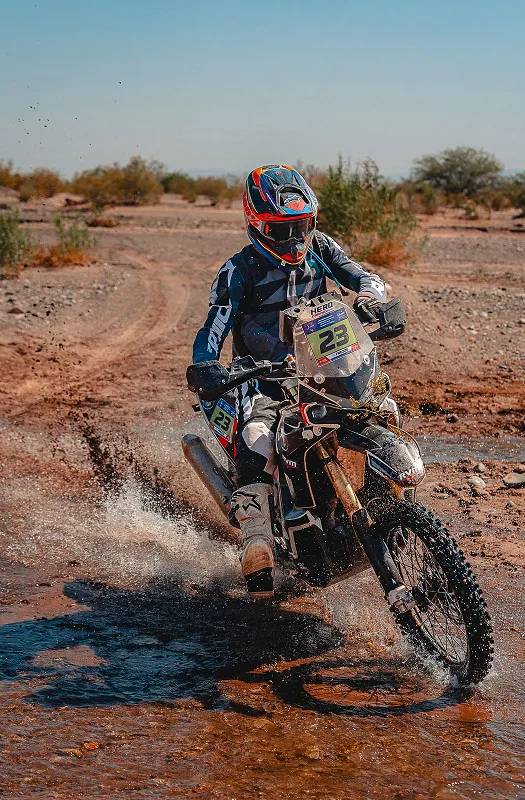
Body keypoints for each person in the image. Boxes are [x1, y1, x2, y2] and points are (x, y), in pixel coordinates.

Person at [187, 165, 387, 599]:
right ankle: (256, 543)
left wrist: (372, 300)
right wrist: (204, 366)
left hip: (325, 368)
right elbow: (213, 329)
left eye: (303, 226)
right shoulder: (238, 271)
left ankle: (387, 500)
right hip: (263, 378)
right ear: (257, 225)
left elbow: (363, 276)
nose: (296, 239)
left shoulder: (322, 248)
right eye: (283, 229)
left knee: (379, 407)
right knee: (258, 437)